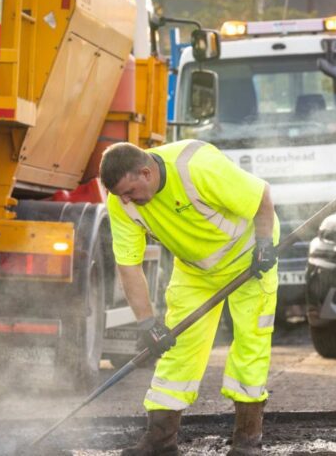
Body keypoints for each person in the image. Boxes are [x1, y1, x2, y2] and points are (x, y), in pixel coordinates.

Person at [100, 139, 279, 456]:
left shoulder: (197, 168)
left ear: (146, 172)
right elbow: (128, 265)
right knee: (177, 347)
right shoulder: (121, 203)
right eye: (120, 195)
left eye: (130, 192)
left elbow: (260, 195)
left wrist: (264, 244)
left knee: (251, 342)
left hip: (249, 259)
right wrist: (148, 324)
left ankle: (247, 442)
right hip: (196, 269)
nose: (126, 200)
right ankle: (160, 441)